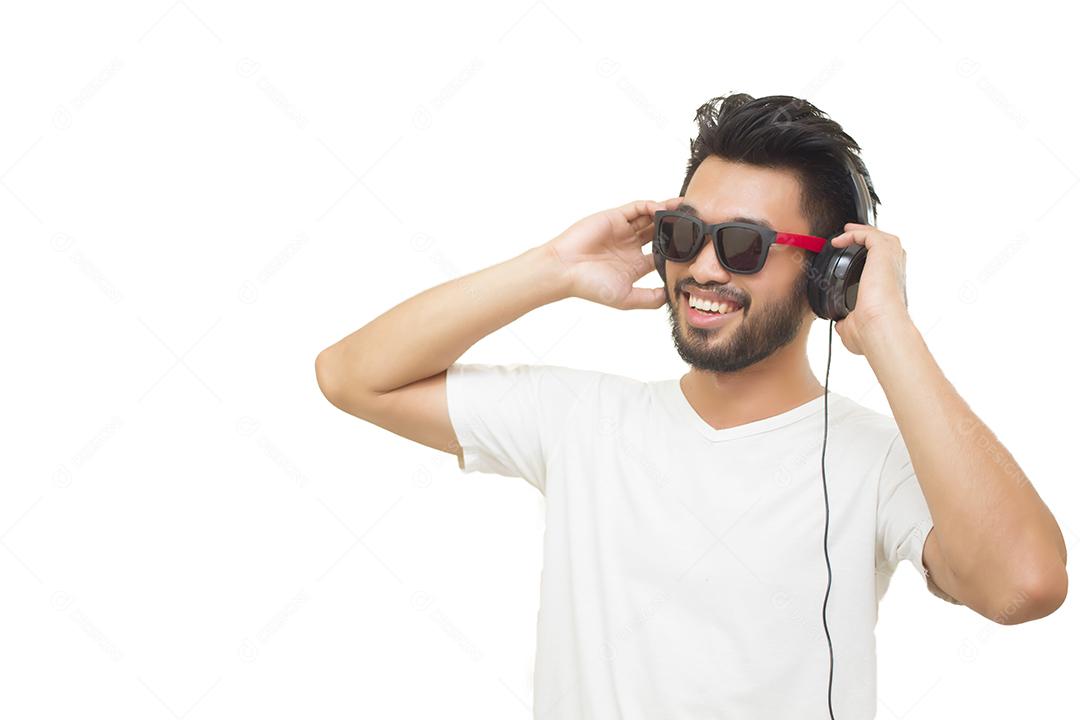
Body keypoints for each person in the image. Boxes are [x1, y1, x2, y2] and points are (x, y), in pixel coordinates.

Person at [315, 92, 1068, 719]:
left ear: (827, 273)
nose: (703, 267)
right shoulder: (580, 419)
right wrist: (552, 269)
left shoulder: (878, 461)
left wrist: (889, 328)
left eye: (743, 244)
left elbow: (1023, 584)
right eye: (684, 233)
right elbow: (352, 376)